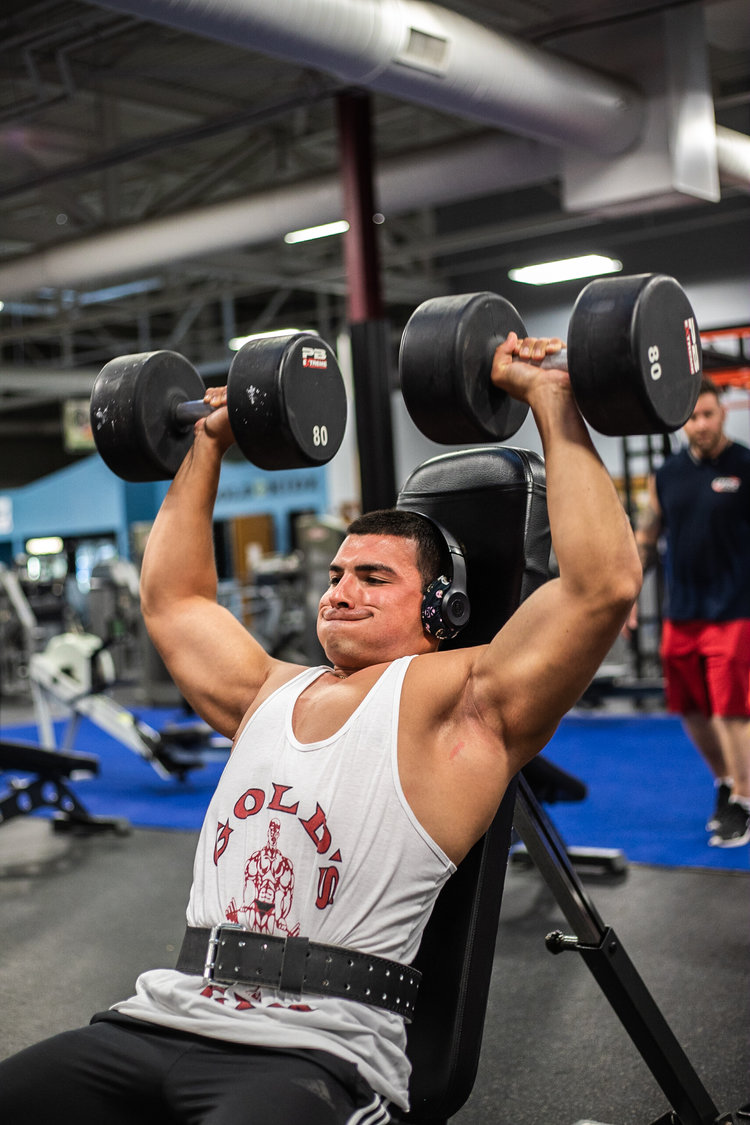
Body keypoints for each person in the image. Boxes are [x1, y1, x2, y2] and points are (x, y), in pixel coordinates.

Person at [0, 332, 641, 1124]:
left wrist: (552, 399)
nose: (340, 591)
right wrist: (207, 439)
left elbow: (599, 587)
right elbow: (174, 602)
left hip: (315, 1052)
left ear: (441, 612)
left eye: (374, 577)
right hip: (163, 1015)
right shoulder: (265, 690)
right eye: (337, 574)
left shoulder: (462, 703)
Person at [634, 377, 750, 847]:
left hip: (735, 610)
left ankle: (743, 800)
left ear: (722, 413)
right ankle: (726, 781)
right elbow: (646, 535)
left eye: (707, 414)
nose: (699, 425)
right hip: (681, 612)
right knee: (691, 709)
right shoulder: (666, 474)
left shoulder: (745, 465)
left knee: (730, 710)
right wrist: (628, 597)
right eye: (691, 417)